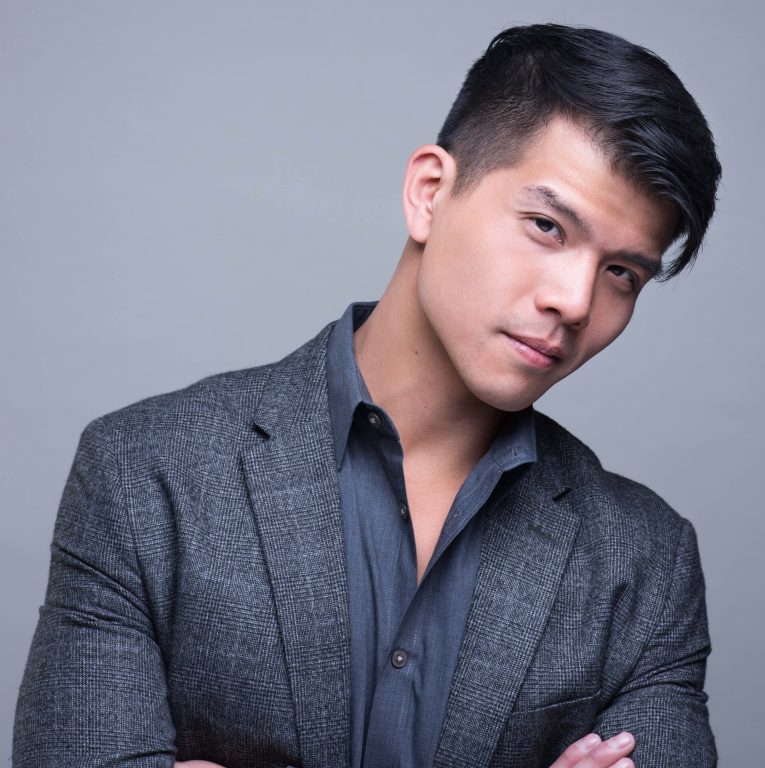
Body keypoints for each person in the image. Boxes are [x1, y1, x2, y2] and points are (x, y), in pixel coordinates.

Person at [13, 23, 721, 768]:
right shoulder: (144, 475)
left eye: (622, 274)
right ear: (429, 193)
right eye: (547, 227)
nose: (574, 301)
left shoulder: (647, 561)